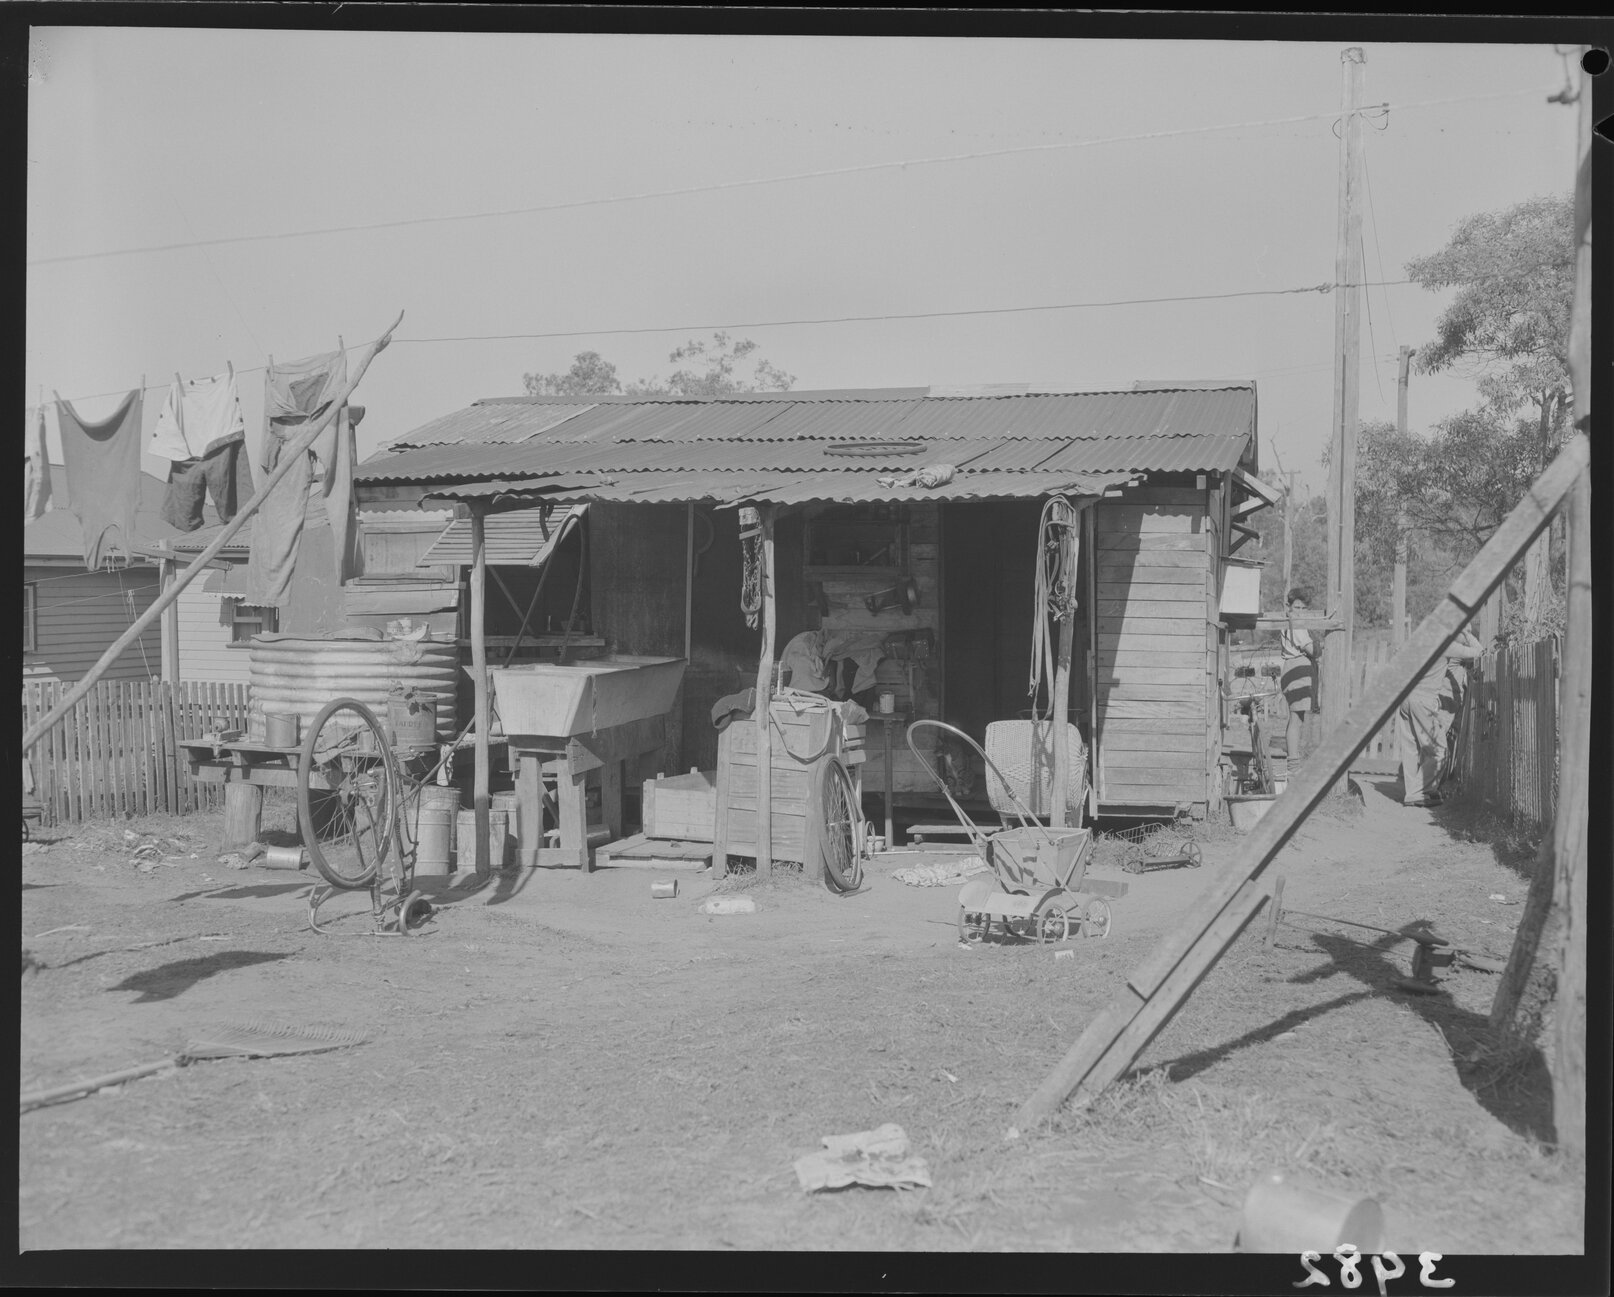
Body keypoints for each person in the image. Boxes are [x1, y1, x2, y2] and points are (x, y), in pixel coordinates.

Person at [1397, 627, 1484, 808]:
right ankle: (1415, 794)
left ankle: (1417, 791)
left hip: (1405, 699)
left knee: (1412, 747)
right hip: (1424, 701)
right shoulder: (1446, 646)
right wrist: (1467, 634)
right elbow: (1479, 651)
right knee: (1439, 749)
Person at [1279, 588, 1322, 765]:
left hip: (1296, 669)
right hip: (1297, 669)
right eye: (1297, 607)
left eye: (1304, 609)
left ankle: (1293, 758)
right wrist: (1317, 645)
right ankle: (1293, 762)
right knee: (1296, 719)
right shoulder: (1295, 624)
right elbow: (1313, 650)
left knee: (1298, 718)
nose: (1300, 612)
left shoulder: (1293, 622)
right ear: (1288, 606)